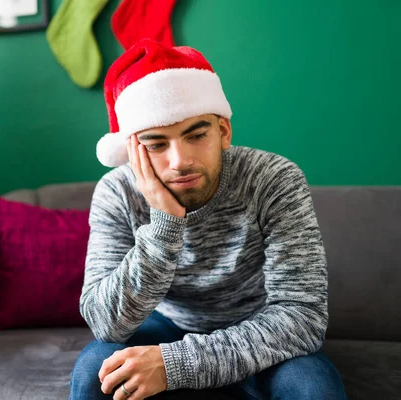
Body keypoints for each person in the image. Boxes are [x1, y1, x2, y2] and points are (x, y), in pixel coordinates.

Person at [69, 38, 348, 400]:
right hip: (166, 324)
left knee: (314, 389)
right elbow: (104, 323)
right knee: (97, 373)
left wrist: (176, 365)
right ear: (132, 150)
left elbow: (302, 316)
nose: (179, 161)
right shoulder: (117, 192)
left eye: (196, 135)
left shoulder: (274, 179)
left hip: (260, 328)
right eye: (155, 144)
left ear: (223, 131)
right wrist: (165, 225)